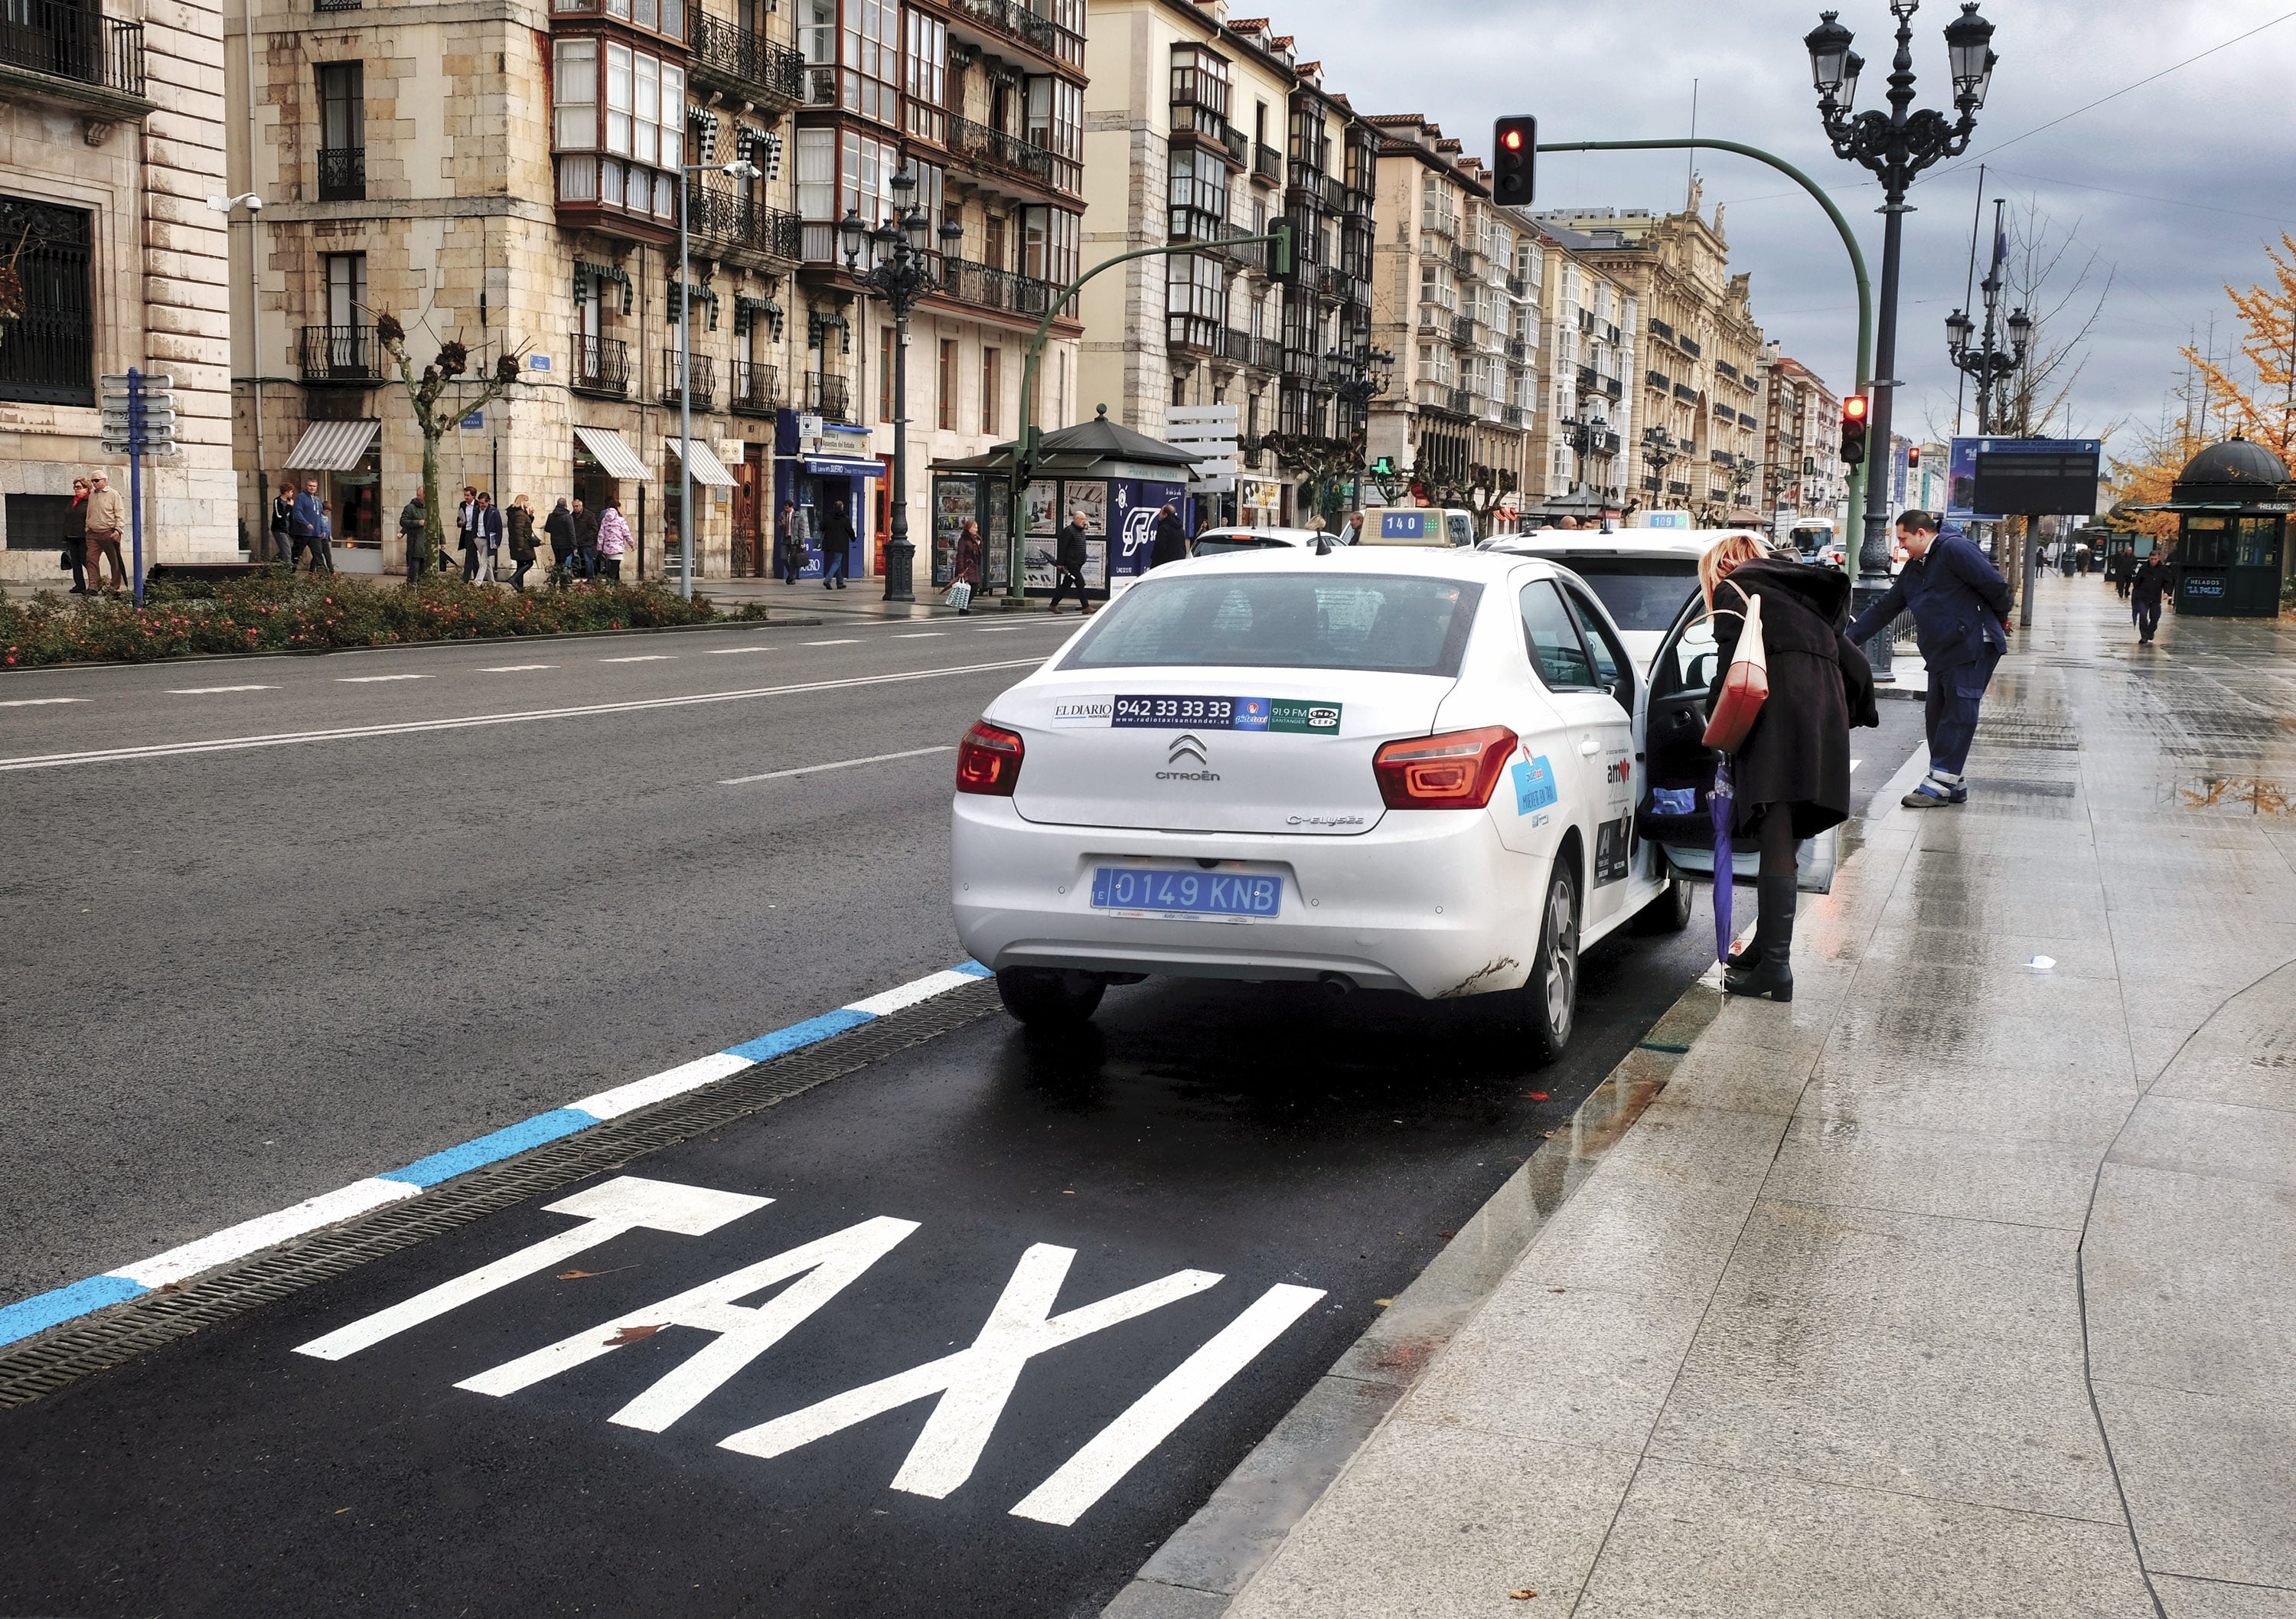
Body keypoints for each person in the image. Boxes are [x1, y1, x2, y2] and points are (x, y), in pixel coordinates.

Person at [1702, 533, 1878, 1002]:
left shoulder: (1734, 589)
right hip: (1822, 717)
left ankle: (1776, 971)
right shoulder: (1799, 593)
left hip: (1778, 719)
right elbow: (1856, 665)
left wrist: (1712, 723)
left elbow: (1728, 672)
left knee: (1777, 837)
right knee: (1789, 834)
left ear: (1722, 565)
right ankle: (1765, 950)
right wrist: (1851, 715)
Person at [1846, 510, 2014, 810]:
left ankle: (1937, 787)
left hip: (1971, 643)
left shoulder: (1954, 549)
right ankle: (1952, 782)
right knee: (1937, 715)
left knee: (1958, 715)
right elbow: (1886, 608)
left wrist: (1994, 620)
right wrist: (1845, 643)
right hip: (1942, 649)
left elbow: (1996, 587)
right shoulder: (1916, 568)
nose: (1901, 547)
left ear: (1922, 534)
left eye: (1904, 539)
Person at [83, 469, 129, 593]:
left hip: (108, 531)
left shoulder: (114, 494)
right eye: (92, 480)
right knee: (91, 558)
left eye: (96, 480)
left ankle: (114, 587)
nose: (94, 483)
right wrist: (87, 527)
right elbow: (89, 512)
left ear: (104, 480)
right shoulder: (92, 494)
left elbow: (120, 513)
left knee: (114, 560)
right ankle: (94, 586)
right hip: (93, 532)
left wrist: (118, 530)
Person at [1048, 508, 1094, 614]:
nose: (1084, 521)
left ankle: (1053, 604)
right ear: (1076, 519)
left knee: (1066, 584)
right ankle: (1086, 606)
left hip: (1079, 562)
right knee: (1080, 582)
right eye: (1082, 519)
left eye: (1085, 519)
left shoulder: (1081, 531)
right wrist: (1060, 563)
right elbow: (1062, 547)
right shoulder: (1068, 531)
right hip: (1071, 561)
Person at [2131, 549, 2170, 648]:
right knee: (2143, 616)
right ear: (2149, 558)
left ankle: (2150, 631)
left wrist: (2166, 592)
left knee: (2155, 617)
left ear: (2159, 559)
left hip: (2155, 597)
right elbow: (2137, 581)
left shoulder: (2163, 570)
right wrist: (2136, 592)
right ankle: (2144, 636)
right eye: (2152, 559)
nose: (2153, 561)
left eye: (2155, 559)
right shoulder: (2143, 568)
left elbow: (2168, 581)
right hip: (2143, 596)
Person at [288, 477, 325, 571]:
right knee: (296, 555)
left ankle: (324, 577)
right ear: (306, 486)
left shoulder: (317, 499)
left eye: (314, 486)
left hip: (315, 534)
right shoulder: (301, 497)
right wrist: (306, 523)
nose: (312, 488)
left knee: (319, 556)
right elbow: (297, 513)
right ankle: (288, 574)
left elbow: (319, 516)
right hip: (302, 532)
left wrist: (323, 529)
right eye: (310, 486)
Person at [949, 517, 984, 615]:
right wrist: (961, 570)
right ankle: (963, 607)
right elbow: (960, 555)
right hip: (966, 567)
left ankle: (964, 606)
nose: (976, 530)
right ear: (969, 528)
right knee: (967, 587)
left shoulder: (976, 539)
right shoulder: (964, 540)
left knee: (975, 585)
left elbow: (978, 553)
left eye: (976, 528)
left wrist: (978, 544)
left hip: (973, 567)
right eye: (974, 528)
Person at [61, 475, 90, 593]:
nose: (76, 489)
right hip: (71, 535)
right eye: (75, 487)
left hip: (83, 536)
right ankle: (79, 585)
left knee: (85, 560)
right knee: (75, 561)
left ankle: (96, 583)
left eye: (79, 487)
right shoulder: (73, 502)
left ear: (86, 489)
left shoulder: (89, 502)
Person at [595, 498, 631, 581]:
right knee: (614, 569)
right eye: (621, 507)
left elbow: (601, 534)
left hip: (607, 549)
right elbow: (626, 533)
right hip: (617, 548)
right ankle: (611, 586)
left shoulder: (604, 520)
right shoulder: (621, 520)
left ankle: (616, 585)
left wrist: (600, 548)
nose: (622, 509)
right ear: (618, 508)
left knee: (614, 567)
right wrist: (631, 544)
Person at [820, 498, 853, 589]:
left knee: (837, 562)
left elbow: (821, 527)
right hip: (840, 544)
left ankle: (840, 583)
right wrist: (853, 538)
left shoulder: (828, 517)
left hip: (829, 543)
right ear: (842, 508)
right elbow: (850, 530)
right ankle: (827, 580)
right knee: (837, 562)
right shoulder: (845, 518)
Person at [507, 495, 537, 591]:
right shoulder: (520, 514)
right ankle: (513, 579)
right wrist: (520, 545)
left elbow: (526, 526)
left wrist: (530, 516)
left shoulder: (516, 513)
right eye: (527, 501)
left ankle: (520, 588)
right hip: (522, 543)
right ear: (522, 502)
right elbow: (519, 530)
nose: (528, 503)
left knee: (520, 564)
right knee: (530, 562)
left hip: (516, 543)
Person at [543, 497, 576, 586]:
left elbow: (547, 529)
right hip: (566, 544)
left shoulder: (551, 516)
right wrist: (574, 545)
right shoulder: (567, 516)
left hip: (555, 542)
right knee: (564, 563)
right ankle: (563, 582)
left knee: (558, 561)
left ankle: (553, 580)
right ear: (566, 505)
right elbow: (571, 531)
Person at [400, 489, 429, 579]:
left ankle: (423, 591)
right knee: (414, 568)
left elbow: (438, 524)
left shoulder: (430, 508)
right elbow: (403, 522)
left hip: (427, 546)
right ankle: (410, 589)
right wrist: (417, 523)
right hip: (415, 545)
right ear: (420, 495)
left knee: (425, 571)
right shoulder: (410, 508)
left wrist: (442, 540)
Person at [1149, 503, 1188, 567]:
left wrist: (1154, 558)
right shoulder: (1180, 529)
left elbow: (1160, 547)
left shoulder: (1163, 528)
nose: (1159, 514)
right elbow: (1183, 548)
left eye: (1161, 512)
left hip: (1164, 565)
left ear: (1165, 515)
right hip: (1177, 564)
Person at [572, 497, 599, 582]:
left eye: (577, 506)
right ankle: (572, 575)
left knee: (588, 560)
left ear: (581, 506)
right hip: (576, 541)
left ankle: (590, 577)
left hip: (586, 542)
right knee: (573, 559)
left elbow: (594, 529)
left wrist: (587, 537)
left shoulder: (589, 515)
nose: (575, 508)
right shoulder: (572, 516)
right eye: (574, 506)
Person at [269, 478, 295, 565]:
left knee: (289, 546)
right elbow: (279, 516)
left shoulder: (289, 502)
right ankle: (287, 571)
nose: (292, 494)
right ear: (286, 492)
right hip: (279, 529)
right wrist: (289, 507)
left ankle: (272, 564)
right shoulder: (278, 501)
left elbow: (291, 517)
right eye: (291, 492)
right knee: (287, 552)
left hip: (287, 530)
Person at [776, 501, 802, 584]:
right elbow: (779, 525)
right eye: (785, 507)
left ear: (791, 507)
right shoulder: (782, 514)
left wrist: (802, 542)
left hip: (794, 539)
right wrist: (781, 525)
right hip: (785, 538)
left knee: (792, 559)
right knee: (783, 557)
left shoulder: (798, 515)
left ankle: (792, 577)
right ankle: (791, 574)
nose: (786, 509)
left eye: (787, 508)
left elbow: (801, 530)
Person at [311, 499, 336, 573]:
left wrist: (330, 535)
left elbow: (327, 527)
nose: (327, 513)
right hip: (320, 538)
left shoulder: (326, 517)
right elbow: (321, 525)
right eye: (326, 511)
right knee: (317, 556)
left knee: (328, 555)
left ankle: (332, 571)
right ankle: (312, 571)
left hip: (325, 538)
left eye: (328, 512)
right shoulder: (319, 516)